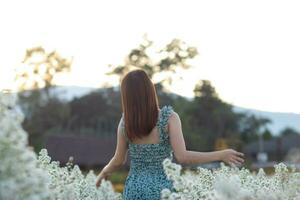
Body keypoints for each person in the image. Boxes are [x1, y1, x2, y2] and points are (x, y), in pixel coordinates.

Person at [95, 69, 244, 199]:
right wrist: (220, 155)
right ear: (150, 90)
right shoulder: (169, 118)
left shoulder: (125, 123)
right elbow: (183, 157)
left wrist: (103, 173)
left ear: (126, 97)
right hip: (163, 190)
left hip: (134, 190)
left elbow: (118, 160)